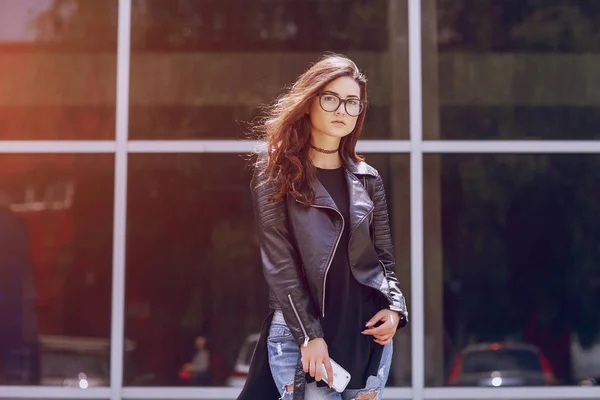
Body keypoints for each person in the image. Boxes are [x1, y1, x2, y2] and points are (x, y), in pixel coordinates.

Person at [238, 54, 408, 400]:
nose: (341, 110)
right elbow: (280, 264)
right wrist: (308, 336)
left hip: (366, 338)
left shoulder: (368, 179)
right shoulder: (276, 173)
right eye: (331, 98)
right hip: (306, 338)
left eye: (352, 103)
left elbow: (384, 262)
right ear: (309, 103)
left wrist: (394, 309)